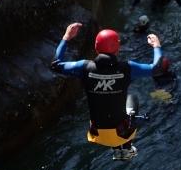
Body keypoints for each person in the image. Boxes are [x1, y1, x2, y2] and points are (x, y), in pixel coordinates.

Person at [50, 22, 165, 161]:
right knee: (131, 98)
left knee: (106, 108)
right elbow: (158, 68)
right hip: (122, 133)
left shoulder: (84, 67)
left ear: (96, 49)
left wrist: (66, 37)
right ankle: (127, 150)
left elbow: (55, 64)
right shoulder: (127, 69)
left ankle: (117, 151)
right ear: (118, 49)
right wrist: (156, 46)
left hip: (97, 134)